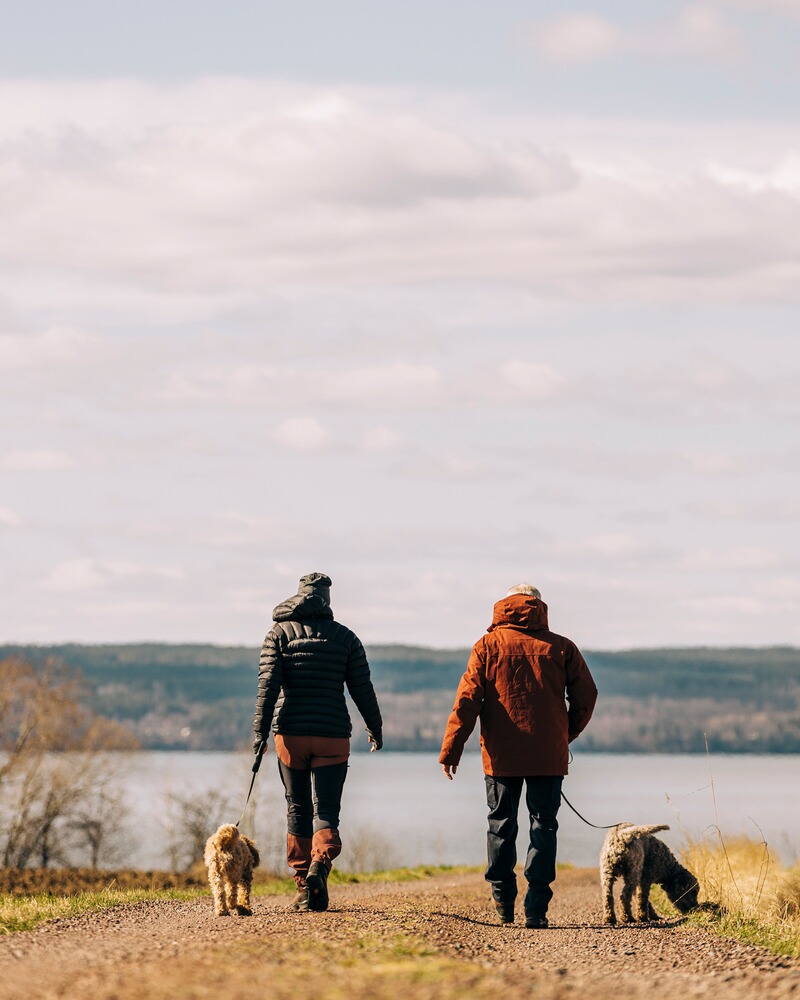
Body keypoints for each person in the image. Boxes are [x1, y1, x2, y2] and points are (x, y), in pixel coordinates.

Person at [438, 584, 597, 928]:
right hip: (547, 756)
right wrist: (565, 734)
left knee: (500, 825)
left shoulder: (487, 646)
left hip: (500, 756)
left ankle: (502, 900)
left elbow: (467, 701)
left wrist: (452, 747)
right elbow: (587, 695)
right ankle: (536, 908)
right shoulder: (562, 647)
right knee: (544, 827)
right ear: (540, 607)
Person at [252, 572, 383, 912]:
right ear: (327, 600)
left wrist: (259, 734)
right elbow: (362, 690)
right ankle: (319, 867)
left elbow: (267, 687)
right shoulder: (345, 638)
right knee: (326, 810)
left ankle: (301, 886)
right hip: (332, 735)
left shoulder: (278, 634)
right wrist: (375, 728)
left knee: (297, 808)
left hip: (290, 734)